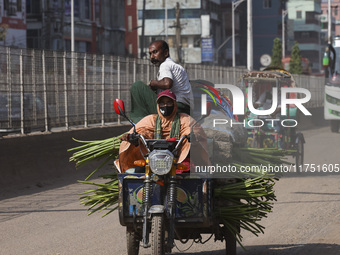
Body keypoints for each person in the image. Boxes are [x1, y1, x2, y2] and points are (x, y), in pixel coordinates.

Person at [115, 90, 208, 173]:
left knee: (190, 172)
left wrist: (193, 136)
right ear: (158, 105)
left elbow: (191, 129)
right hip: (153, 159)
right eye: (162, 103)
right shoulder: (151, 119)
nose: (165, 106)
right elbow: (142, 131)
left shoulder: (184, 118)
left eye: (169, 102)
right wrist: (131, 137)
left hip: (178, 158)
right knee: (134, 172)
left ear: (174, 104)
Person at [130, 40, 193, 122]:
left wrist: (152, 83)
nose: (152, 57)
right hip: (186, 110)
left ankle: (140, 122)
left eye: (155, 52)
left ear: (166, 53)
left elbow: (167, 83)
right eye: (150, 54)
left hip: (175, 108)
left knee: (137, 86)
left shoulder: (165, 65)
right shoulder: (178, 67)